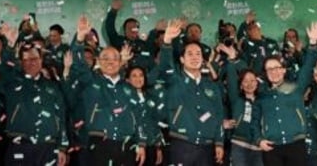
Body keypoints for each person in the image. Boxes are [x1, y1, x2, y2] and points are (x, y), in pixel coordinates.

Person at [70, 15, 146, 165]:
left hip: (127, 146)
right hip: (98, 144)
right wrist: (79, 39)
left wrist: (142, 143)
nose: (110, 62)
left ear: (121, 62)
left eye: (114, 59)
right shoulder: (90, 81)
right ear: (98, 61)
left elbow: (139, 116)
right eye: (105, 58)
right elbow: (78, 65)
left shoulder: (129, 88)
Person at [254, 22, 317, 166]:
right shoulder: (262, 96)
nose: (274, 72)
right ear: (266, 74)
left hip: (296, 145)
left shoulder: (296, 88)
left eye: (277, 68)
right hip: (271, 148)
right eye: (269, 70)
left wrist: (312, 43)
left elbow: (307, 66)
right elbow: (254, 122)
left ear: (284, 70)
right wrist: (259, 140)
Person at [158, 18, 226, 165]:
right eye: (190, 54)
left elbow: (219, 115)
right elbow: (165, 67)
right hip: (183, 145)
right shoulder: (175, 81)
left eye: (198, 54)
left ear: (203, 59)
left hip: (207, 147)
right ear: (182, 59)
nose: (195, 57)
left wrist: (219, 142)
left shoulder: (212, 86)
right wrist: (167, 42)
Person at [221, 43, 263, 166]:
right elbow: (232, 77)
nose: (249, 84)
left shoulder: (263, 101)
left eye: (252, 80)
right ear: (241, 85)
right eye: (245, 81)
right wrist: (232, 60)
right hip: (238, 144)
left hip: (258, 146)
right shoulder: (236, 99)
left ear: (257, 83)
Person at [126, 65, 165, 166]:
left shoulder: (151, 98)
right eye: (134, 76)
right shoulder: (125, 98)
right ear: (128, 80)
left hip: (151, 146)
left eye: (141, 75)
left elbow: (155, 123)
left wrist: (158, 146)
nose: (138, 78)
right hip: (133, 146)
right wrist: (139, 144)